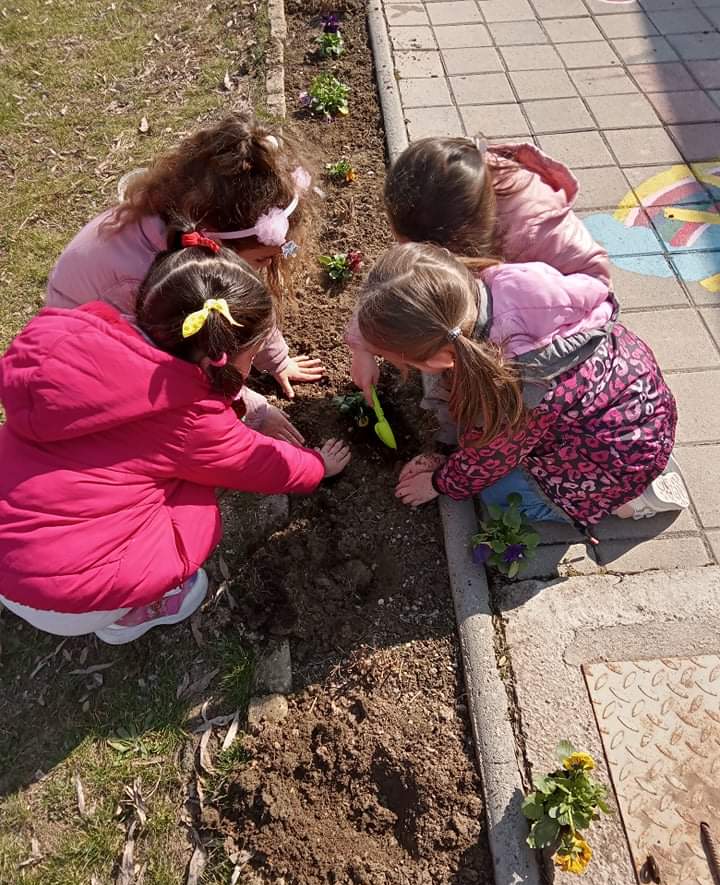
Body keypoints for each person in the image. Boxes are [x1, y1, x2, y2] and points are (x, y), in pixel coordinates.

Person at [0, 245, 350, 644]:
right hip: (69, 597)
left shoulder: (85, 342)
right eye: (252, 358)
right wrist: (317, 466)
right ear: (215, 361)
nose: (252, 368)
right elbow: (258, 463)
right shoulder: (187, 418)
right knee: (198, 499)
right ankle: (132, 613)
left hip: (12, 545)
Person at [354, 243, 688, 533]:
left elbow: (487, 460)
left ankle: (633, 501)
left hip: (619, 460)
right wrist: (362, 348)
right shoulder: (496, 286)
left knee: (499, 495)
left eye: (408, 364)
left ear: (440, 357)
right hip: (634, 400)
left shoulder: (511, 392)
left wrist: (439, 481)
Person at [46, 110, 324, 444]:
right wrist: (255, 411)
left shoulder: (188, 229)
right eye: (262, 260)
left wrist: (278, 361)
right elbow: (188, 371)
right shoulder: (153, 283)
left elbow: (251, 304)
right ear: (216, 244)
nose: (266, 268)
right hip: (85, 361)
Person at [348, 135, 611, 401]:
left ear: (457, 245)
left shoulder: (536, 230)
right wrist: (363, 346)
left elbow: (597, 287)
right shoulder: (435, 201)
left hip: (551, 336)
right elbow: (398, 281)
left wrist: (520, 355)